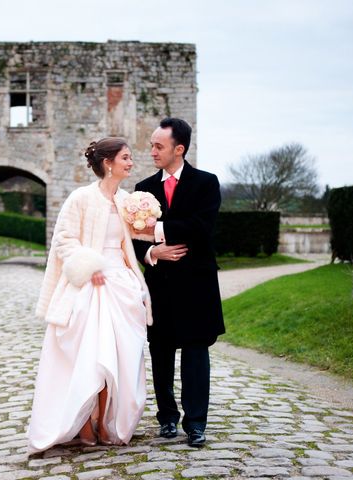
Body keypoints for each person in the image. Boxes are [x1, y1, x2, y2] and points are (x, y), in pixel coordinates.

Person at [28, 137, 153, 454]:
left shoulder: (126, 200)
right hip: (90, 285)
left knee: (121, 355)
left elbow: (138, 235)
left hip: (122, 284)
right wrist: (88, 266)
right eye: (125, 157)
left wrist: (156, 229)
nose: (130, 162)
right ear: (108, 162)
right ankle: (83, 423)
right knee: (91, 357)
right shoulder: (80, 198)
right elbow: (64, 240)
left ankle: (105, 422)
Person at [132, 117, 225, 447]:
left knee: (197, 352)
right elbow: (133, 239)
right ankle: (167, 418)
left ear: (179, 149)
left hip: (197, 285)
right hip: (159, 284)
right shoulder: (142, 189)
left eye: (159, 146)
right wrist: (155, 252)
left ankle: (196, 423)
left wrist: (156, 230)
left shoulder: (206, 184)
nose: (152, 151)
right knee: (160, 351)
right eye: (152, 145)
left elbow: (201, 228)